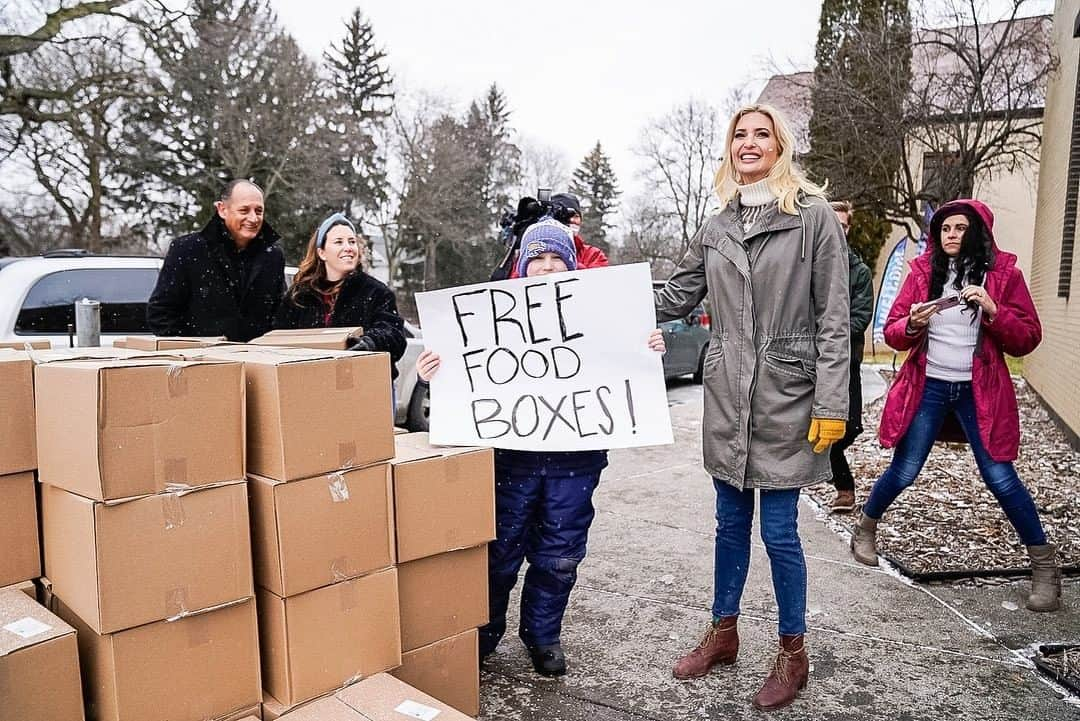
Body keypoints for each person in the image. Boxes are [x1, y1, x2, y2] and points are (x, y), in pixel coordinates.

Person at [653, 103, 850, 712]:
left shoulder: (813, 218)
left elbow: (835, 317)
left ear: (780, 147)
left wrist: (833, 401)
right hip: (726, 392)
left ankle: (793, 652)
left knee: (781, 531)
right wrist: (591, 292)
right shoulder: (717, 226)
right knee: (729, 524)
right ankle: (724, 633)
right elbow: (675, 294)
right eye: (740, 134)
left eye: (761, 134)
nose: (749, 142)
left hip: (789, 395)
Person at [416, 218, 665, 678]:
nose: (548, 268)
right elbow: (465, 374)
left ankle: (542, 635)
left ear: (570, 265)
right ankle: (484, 633)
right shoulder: (492, 317)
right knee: (498, 554)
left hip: (576, 464)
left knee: (559, 556)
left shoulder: (598, 318)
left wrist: (646, 347)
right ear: (521, 266)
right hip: (510, 464)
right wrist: (434, 371)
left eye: (557, 259)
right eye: (538, 260)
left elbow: (624, 366)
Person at [850, 199, 1060, 612]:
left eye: (960, 228)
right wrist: (912, 322)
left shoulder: (1003, 276)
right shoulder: (922, 273)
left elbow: (1028, 338)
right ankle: (865, 528)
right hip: (927, 386)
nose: (951, 234)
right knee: (905, 470)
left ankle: (1044, 566)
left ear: (977, 232)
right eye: (945, 228)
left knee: (1000, 477)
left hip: (978, 391)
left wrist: (993, 310)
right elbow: (892, 333)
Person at [148, 179, 285, 342]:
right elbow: (161, 312)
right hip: (203, 362)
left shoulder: (273, 256)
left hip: (258, 361)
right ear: (222, 209)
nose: (253, 218)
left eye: (259, 211)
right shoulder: (188, 250)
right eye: (244, 210)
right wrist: (191, 349)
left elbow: (279, 315)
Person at [274, 212, 406, 378]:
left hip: (364, 385)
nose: (348, 248)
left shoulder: (376, 292)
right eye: (339, 242)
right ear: (321, 253)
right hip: (311, 384)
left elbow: (394, 335)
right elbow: (279, 338)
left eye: (352, 241)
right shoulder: (300, 296)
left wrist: (370, 343)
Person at [827, 201, 874, 513]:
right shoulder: (805, 265)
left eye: (844, 225)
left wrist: (831, 332)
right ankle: (845, 488)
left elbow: (861, 316)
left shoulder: (858, 271)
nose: (839, 230)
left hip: (846, 360)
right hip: (808, 361)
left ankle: (828, 464)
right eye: (834, 224)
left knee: (851, 426)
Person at [507, 192, 608, 277]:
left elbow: (597, 284)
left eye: (576, 216)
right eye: (566, 216)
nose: (572, 220)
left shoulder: (593, 254)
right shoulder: (531, 246)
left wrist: (569, 267)